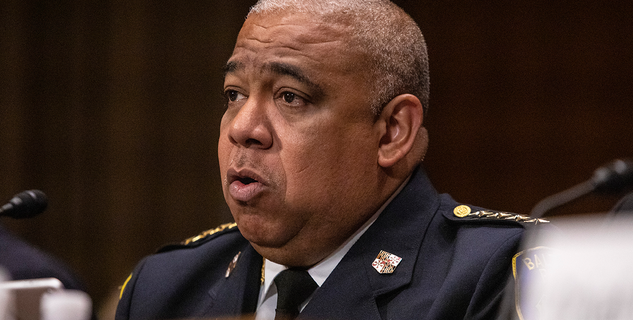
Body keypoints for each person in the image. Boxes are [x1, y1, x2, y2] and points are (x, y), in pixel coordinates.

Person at [115, 0, 548, 319]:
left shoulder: (502, 278)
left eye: (291, 97)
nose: (243, 128)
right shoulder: (163, 288)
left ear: (393, 131)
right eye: (234, 94)